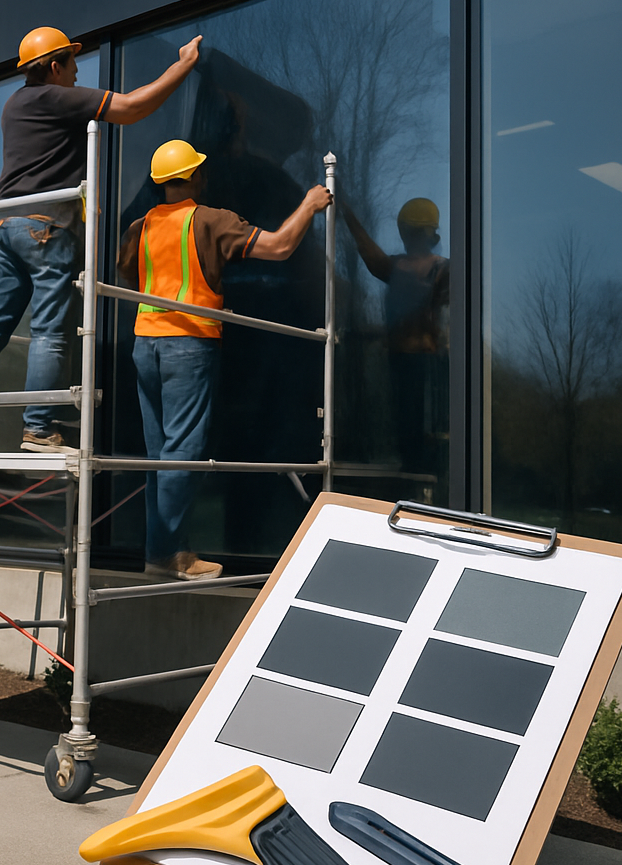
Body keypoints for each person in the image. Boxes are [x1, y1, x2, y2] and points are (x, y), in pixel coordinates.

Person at [0, 26, 203, 452]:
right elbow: (133, 107)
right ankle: (39, 429)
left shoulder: (14, 105)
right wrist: (184, 65)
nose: (78, 71)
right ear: (53, 67)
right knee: (49, 330)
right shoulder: (54, 98)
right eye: (72, 62)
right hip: (45, 228)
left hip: (6, 228)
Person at [118, 139, 333, 580]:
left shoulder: (139, 226)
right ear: (196, 177)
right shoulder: (211, 220)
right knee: (184, 451)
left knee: (159, 455)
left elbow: (129, 273)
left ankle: (164, 550)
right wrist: (310, 205)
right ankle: (165, 555)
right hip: (188, 343)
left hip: (145, 343)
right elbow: (278, 247)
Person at [342, 197, 449, 477]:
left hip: (426, 362)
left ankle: (423, 473)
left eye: (407, 231)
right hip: (407, 360)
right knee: (408, 424)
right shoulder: (405, 267)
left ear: (408, 231)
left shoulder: (439, 270)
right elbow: (370, 253)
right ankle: (415, 472)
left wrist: (346, 209)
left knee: (421, 423)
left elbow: (370, 252)